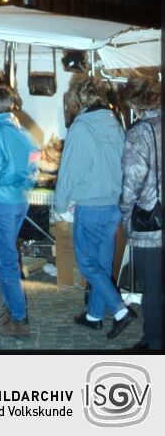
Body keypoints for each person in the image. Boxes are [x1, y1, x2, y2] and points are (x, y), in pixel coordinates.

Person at [55, 76, 137, 339]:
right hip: (114, 205)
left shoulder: (81, 127)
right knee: (101, 262)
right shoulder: (115, 123)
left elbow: (69, 171)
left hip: (91, 205)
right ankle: (94, 316)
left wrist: (60, 203)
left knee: (88, 264)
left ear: (80, 99)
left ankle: (121, 311)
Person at [0, 83, 40, 337]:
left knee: (5, 260)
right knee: (3, 257)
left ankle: (18, 317)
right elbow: (35, 161)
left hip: (0, 203)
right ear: (13, 104)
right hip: (18, 200)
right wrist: (23, 186)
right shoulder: (24, 133)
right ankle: (10, 307)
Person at [120, 77, 162, 350]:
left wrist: (125, 208)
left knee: (153, 286)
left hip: (152, 221)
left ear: (136, 103)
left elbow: (133, 177)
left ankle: (154, 341)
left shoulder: (140, 132)